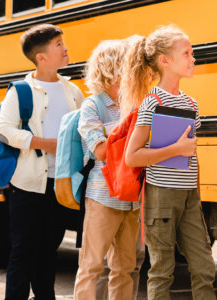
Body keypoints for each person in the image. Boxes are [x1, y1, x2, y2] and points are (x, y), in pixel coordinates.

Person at [122, 25, 216, 300]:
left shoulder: (191, 103)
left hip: (189, 196)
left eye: (192, 53)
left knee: (204, 266)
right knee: (162, 269)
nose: (193, 58)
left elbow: (191, 153)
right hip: (161, 194)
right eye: (186, 53)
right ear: (165, 61)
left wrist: (196, 194)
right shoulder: (152, 102)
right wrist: (176, 148)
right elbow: (133, 155)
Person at [0, 24, 84, 300]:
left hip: (60, 183)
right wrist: (44, 144)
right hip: (27, 184)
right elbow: (5, 130)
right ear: (41, 57)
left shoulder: (73, 91)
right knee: (23, 250)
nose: (65, 48)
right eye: (59, 44)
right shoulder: (21, 91)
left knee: (49, 250)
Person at [73, 37, 145, 300]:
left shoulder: (136, 103)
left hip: (133, 198)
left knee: (127, 268)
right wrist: (131, 131)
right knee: (91, 265)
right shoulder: (93, 106)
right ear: (114, 69)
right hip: (103, 195)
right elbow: (100, 150)